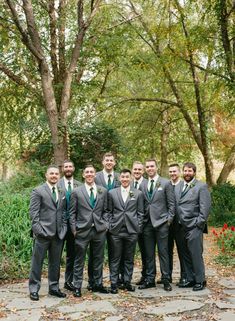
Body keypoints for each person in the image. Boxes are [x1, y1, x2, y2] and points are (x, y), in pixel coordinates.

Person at [69, 165, 109, 297]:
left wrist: (105, 224)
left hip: (99, 230)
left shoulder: (103, 190)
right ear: (83, 175)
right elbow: (72, 212)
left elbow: (106, 211)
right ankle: (77, 286)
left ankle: (97, 284)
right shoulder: (77, 191)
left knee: (98, 258)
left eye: (92, 172)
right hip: (82, 230)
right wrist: (74, 229)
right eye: (87, 172)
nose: (90, 174)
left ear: (95, 175)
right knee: (79, 260)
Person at [29, 165, 67, 301]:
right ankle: (34, 289)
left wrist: (63, 229)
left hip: (58, 234)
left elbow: (63, 212)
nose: (54, 176)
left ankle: (54, 288)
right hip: (42, 234)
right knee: (37, 262)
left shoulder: (62, 192)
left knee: (55, 263)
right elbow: (33, 214)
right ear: (46, 175)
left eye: (56, 174)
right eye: (51, 173)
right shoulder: (38, 191)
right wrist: (39, 231)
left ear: (59, 176)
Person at [139, 159, 175, 291]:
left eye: (151, 166)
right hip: (147, 223)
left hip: (161, 223)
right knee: (148, 253)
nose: (149, 168)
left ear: (156, 167)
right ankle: (150, 279)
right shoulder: (143, 184)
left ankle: (166, 279)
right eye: (147, 166)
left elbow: (171, 204)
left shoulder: (165, 183)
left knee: (163, 252)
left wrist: (169, 220)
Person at [175, 162, 211, 291]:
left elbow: (205, 208)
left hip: (194, 226)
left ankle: (200, 280)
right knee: (184, 255)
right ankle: (190, 279)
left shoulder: (201, 186)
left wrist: (198, 224)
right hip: (180, 227)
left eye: (190, 171)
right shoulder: (178, 186)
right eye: (185, 171)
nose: (187, 173)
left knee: (195, 254)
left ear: (194, 172)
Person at [108, 169, 144, 294]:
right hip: (116, 230)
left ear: (131, 178)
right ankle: (113, 283)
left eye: (127, 177)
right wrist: (110, 225)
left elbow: (140, 213)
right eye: (122, 177)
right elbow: (108, 211)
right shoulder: (112, 193)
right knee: (115, 258)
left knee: (129, 258)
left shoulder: (138, 193)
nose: (124, 179)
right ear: (119, 178)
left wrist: (138, 227)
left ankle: (127, 281)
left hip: (131, 230)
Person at [87, 152, 120, 290]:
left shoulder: (120, 177)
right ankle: (93, 281)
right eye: (107, 160)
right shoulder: (96, 176)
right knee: (95, 254)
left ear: (115, 162)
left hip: (117, 221)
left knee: (116, 253)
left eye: (111, 160)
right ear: (102, 162)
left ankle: (116, 281)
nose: (109, 162)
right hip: (98, 221)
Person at [57, 160, 82, 292]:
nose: (68, 168)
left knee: (72, 255)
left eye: (70, 166)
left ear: (73, 168)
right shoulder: (57, 183)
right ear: (63, 169)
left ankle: (69, 281)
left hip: (74, 226)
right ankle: (54, 284)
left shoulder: (80, 185)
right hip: (59, 225)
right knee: (56, 255)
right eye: (65, 166)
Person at [167, 163, 186, 284]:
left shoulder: (184, 185)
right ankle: (167, 275)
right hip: (167, 225)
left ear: (179, 172)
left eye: (175, 171)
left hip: (180, 224)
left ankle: (184, 275)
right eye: (171, 172)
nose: (173, 174)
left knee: (182, 250)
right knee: (167, 251)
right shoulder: (165, 185)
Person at [131, 161, 148, 286]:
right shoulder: (128, 184)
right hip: (130, 225)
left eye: (139, 169)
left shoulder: (148, 184)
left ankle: (147, 276)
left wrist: (141, 222)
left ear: (143, 171)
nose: (137, 171)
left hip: (145, 224)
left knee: (146, 252)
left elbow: (148, 205)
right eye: (135, 169)